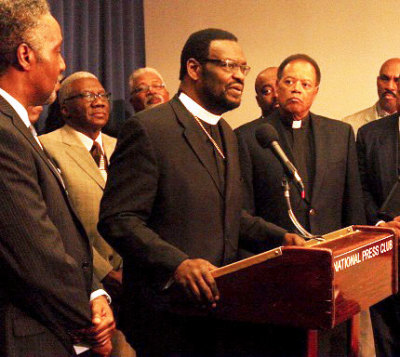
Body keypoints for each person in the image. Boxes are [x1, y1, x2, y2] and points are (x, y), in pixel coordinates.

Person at [99, 28, 304, 356]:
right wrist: (177, 264)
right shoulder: (150, 129)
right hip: (166, 315)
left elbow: (228, 216)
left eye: (243, 68)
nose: (239, 76)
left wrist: (281, 239)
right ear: (194, 69)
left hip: (219, 314)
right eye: (228, 65)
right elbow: (117, 219)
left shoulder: (226, 132)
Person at [235, 54, 370, 356]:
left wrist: (356, 263)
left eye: (305, 83)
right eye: (289, 82)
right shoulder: (247, 137)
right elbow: (242, 212)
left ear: (316, 91)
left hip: (332, 273)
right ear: (278, 88)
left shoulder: (340, 134)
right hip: (277, 272)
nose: (297, 88)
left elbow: (353, 204)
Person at [0, 1, 114, 356]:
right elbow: (33, 248)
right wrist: (90, 318)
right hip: (29, 333)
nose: (63, 64)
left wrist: (95, 291)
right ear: (25, 55)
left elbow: (64, 230)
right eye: (58, 51)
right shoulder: (3, 131)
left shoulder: (18, 127)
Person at [40, 71, 135, 357]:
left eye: (103, 96)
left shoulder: (122, 146)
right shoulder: (47, 146)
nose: (99, 102)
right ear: (65, 108)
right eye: (88, 96)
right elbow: (58, 223)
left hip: (134, 283)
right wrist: (104, 273)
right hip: (86, 286)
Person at [357, 83, 400, 357]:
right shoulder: (369, 134)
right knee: (387, 342)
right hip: (384, 255)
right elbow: (360, 189)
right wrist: (382, 226)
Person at [343, 58, 400, 135]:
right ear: (377, 81)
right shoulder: (351, 125)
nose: (390, 87)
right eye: (385, 79)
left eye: (397, 80)